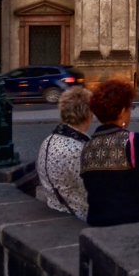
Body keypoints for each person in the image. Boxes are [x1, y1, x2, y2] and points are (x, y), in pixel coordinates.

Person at [80, 80, 139, 226]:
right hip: (133, 222)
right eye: (130, 107)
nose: (130, 113)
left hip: (98, 223)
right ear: (122, 111)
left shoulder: (88, 145)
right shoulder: (134, 141)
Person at [36, 87, 93, 220]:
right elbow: (92, 191)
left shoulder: (49, 140)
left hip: (55, 208)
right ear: (88, 114)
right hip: (78, 217)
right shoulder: (78, 150)